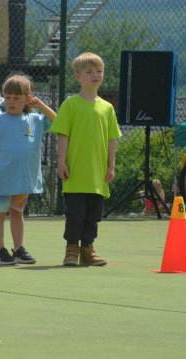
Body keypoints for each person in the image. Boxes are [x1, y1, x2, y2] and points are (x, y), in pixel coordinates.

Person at [50, 52, 121, 266]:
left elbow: (111, 139)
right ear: (78, 76)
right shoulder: (70, 104)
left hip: (97, 176)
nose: (95, 75)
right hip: (75, 174)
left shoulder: (107, 108)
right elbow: (63, 135)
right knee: (75, 215)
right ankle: (71, 250)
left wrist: (111, 166)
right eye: (89, 71)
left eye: (98, 71)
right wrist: (61, 162)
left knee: (92, 217)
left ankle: (88, 250)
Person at [0, 74, 56, 265]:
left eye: (17, 98)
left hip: (25, 178)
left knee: (17, 212)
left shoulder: (35, 119)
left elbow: (58, 121)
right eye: (7, 97)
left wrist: (41, 106)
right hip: (4, 178)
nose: (11, 102)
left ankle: (19, 249)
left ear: (27, 98)